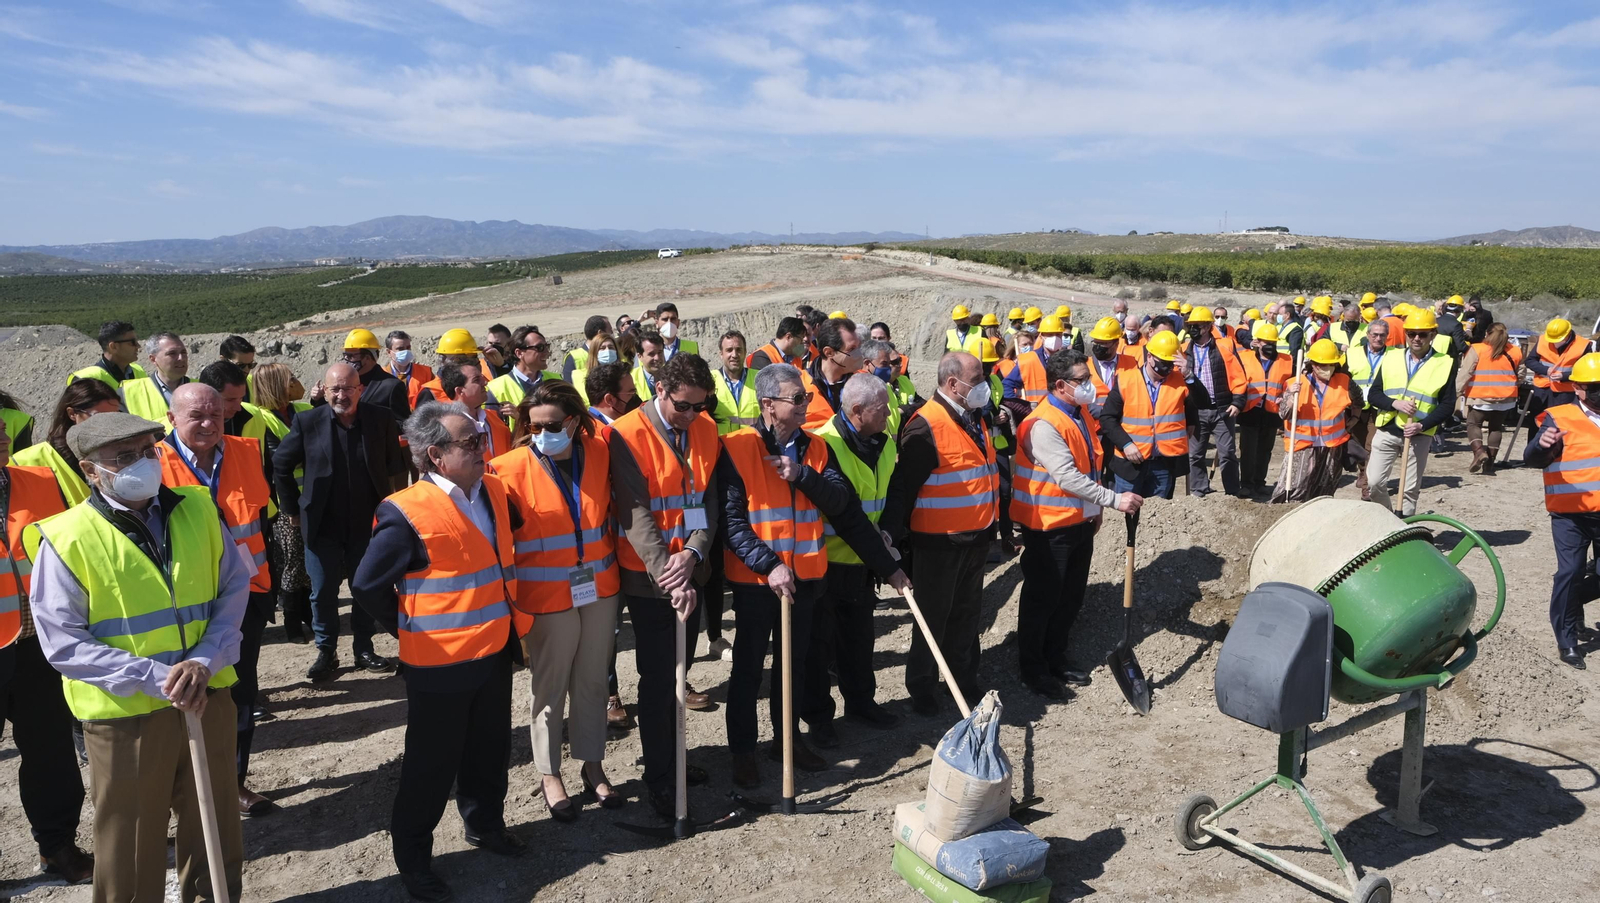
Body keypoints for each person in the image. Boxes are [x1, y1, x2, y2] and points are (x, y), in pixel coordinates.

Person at [28, 412, 247, 902]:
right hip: (126, 717)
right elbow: (64, 642)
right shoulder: (68, 537)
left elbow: (233, 588)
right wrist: (160, 678)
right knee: (129, 839)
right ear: (90, 471)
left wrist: (204, 661)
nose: (142, 463)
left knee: (214, 821)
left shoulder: (198, 507)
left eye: (148, 450)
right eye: (124, 457)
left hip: (208, 694)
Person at [353, 402, 526, 902]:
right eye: (470, 443)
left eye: (481, 438)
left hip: (493, 651)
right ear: (435, 454)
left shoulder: (493, 491)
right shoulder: (406, 510)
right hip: (439, 663)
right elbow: (367, 585)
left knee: (489, 750)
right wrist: (407, 628)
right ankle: (414, 861)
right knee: (430, 766)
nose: (483, 448)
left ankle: (485, 825)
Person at [719, 364, 906, 785]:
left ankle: (787, 740)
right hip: (756, 582)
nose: (806, 403)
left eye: (805, 396)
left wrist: (889, 568)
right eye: (797, 398)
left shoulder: (816, 448)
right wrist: (769, 565)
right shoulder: (736, 447)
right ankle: (742, 751)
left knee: (795, 667)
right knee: (748, 669)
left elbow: (843, 506)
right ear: (768, 405)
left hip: (805, 579)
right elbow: (731, 522)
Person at [493, 382, 625, 821]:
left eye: (551, 425)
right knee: (549, 687)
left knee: (592, 680)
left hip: (599, 588)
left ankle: (592, 764)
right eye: (533, 427)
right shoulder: (506, 469)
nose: (541, 434)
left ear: (573, 420)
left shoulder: (601, 453)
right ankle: (549, 773)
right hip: (545, 595)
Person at [155, 383, 278, 818]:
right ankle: (180, 792)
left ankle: (232, 783)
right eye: (197, 417)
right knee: (179, 696)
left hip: (247, 593)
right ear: (172, 419)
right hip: (184, 603)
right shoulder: (152, 462)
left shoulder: (245, 451)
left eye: (217, 415)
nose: (209, 424)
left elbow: (259, 519)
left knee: (239, 691)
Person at [608, 353, 720, 818]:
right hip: (650, 579)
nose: (692, 415)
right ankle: (659, 776)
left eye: (700, 405)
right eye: (683, 406)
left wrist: (693, 553)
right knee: (658, 680)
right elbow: (635, 513)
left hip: (690, 571)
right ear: (660, 390)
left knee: (680, 672)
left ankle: (675, 758)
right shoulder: (625, 434)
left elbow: (706, 499)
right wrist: (669, 575)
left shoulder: (706, 428)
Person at [1012, 351, 1142, 699]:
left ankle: (1055, 657)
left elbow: (1089, 465)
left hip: (1077, 522)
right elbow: (1067, 477)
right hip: (1048, 528)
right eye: (1082, 380)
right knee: (1043, 599)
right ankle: (1033, 669)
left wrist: (1092, 510)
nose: (1089, 385)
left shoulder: (1078, 413)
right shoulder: (1043, 424)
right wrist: (1113, 500)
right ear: (1060, 385)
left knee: (1070, 597)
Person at [0, 418, 95, 884]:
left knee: (51, 751)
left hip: (38, 643)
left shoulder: (40, 481)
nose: (3, 436)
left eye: (1, 427)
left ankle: (58, 848)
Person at [273, 362, 407, 682]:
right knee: (322, 591)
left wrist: (396, 507)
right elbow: (280, 464)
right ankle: (326, 651)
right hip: (322, 524)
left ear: (360, 390)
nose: (341, 395)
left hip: (368, 523)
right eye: (335, 389)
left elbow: (395, 466)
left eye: (348, 388)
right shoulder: (308, 421)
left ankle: (364, 648)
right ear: (325, 390)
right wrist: (292, 509)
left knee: (365, 587)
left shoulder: (380, 418)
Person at [885, 352, 998, 715]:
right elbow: (904, 491)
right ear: (953, 383)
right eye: (976, 379)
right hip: (938, 543)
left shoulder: (974, 417)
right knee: (933, 617)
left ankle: (962, 679)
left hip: (976, 537)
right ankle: (922, 687)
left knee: (967, 614)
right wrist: (898, 544)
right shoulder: (925, 425)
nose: (983, 385)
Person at [802, 373, 909, 741]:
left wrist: (889, 532)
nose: (889, 415)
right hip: (827, 564)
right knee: (819, 647)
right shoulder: (824, 445)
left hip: (864, 564)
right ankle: (819, 719)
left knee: (859, 640)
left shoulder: (884, 442)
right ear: (858, 410)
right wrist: (889, 566)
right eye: (882, 410)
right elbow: (846, 516)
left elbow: (895, 493)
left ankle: (861, 702)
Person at [1525, 353, 1600, 669]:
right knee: (1570, 572)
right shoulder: (1559, 418)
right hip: (1571, 514)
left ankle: (1573, 600)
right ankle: (1567, 642)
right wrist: (1542, 445)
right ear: (1579, 389)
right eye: (1596, 387)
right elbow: (1533, 458)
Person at [1365, 308, 1456, 516]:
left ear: (1433, 335)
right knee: (1374, 483)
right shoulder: (1391, 357)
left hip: (1419, 434)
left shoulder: (1444, 363)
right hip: (1387, 429)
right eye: (1411, 333)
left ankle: (1405, 526)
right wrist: (1394, 403)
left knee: (1409, 490)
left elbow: (1447, 405)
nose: (1416, 338)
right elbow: (1374, 395)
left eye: (1422, 334)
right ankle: (1388, 520)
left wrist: (1421, 425)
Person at [250, 363, 315, 643]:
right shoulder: (262, 419)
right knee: (292, 562)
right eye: (291, 379)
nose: (297, 383)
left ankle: (308, 614)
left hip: (313, 497)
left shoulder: (304, 409)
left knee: (310, 561)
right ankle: (291, 620)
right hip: (285, 503)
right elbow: (280, 460)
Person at [1099, 332, 1196, 501]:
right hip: (1130, 464)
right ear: (1150, 357)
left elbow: (1201, 404)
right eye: (1163, 362)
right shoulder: (1126, 380)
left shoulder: (1181, 381)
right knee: (1128, 510)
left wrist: (1189, 374)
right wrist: (1126, 444)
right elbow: (1107, 418)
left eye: (1171, 363)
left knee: (1159, 513)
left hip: (1164, 464)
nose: (1168, 367)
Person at [12, 378, 121, 506]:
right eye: (98, 417)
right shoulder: (33, 460)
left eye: (115, 416)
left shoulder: (126, 451)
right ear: (72, 414)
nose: (108, 424)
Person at [1271, 340, 1356, 502]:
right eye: (1323, 365)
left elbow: (1358, 400)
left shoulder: (1344, 382)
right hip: (1302, 444)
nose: (1327, 368)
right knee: (1296, 485)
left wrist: (1355, 418)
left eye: (1331, 364)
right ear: (1313, 365)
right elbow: (1283, 414)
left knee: (1326, 486)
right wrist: (1290, 397)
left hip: (1332, 445)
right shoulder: (1294, 383)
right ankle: (1284, 510)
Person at [1181, 307, 1245, 497]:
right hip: (1195, 411)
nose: (1194, 329)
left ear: (1209, 326)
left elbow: (1239, 377)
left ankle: (1232, 492)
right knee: (1195, 454)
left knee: (1227, 453)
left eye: (1198, 325)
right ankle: (1199, 489)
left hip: (1222, 409)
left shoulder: (1224, 348)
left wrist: (1237, 402)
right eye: (1191, 325)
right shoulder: (1183, 351)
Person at [1457, 323, 1524, 475]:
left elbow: (1466, 373)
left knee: (1473, 424)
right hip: (1506, 398)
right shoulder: (1515, 350)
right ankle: (1490, 463)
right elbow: (1521, 374)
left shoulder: (1477, 349)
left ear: (1487, 334)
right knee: (1496, 427)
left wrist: (1457, 391)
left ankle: (1479, 452)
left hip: (1480, 396)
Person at [319, 328, 412, 425]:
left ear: (367, 357)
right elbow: (333, 415)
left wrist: (373, 425)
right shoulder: (345, 383)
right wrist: (318, 400)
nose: (346, 360)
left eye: (350, 356)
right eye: (345, 355)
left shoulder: (392, 386)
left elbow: (403, 424)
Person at [1237, 322, 1286, 497]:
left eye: (1273, 343)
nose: (1270, 346)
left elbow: (1291, 383)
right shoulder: (1244, 358)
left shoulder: (1286, 361)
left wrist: (1286, 395)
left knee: (1265, 451)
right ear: (1258, 342)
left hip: (1272, 412)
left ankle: (1259, 483)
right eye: (1266, 342)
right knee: (1248, 451)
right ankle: (1246, 484)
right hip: (1250, 411)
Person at [1347, 320, 1391, 500]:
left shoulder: (1394, 355)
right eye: (1375, 335)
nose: (1378, 338)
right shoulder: (1352, 353)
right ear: (1368, 335)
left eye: (1382, 335)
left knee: (1371, 446)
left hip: (1379, 406)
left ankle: (1367, 487)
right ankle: (1362, 470)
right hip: (1357, 405)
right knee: (1358, 445)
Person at [440, 361, 512, 462]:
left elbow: (512, 450)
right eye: (476, 380)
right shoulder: (446, 428)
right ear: (460, 391)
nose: (485, 382)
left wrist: (520, 421)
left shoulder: (494, 417)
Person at [800, 317, 861, 430]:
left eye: (858, 347)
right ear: (829, 353)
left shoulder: (862, 383)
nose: (858, 353)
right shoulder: (799, 384)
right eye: (852, 349)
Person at [121, 331, 190, 427]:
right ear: (153, 359)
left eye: (183, 352)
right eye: (172, 353)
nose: (181, 358)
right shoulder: (128, 392)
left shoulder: (203, 387)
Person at [486, 326, 561, 413]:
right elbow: (491, 421)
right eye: (540, 347)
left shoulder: (557, 381)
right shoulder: (496, 389)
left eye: (547, 346)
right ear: (519, 353)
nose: (547, 352)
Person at [1529, 318, 1586, 426]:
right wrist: (1546, 370)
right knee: (1536, 423)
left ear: (1568, 333)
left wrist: (1564, 376)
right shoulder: (1542, 340)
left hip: (1565, 393)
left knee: (1560, 423)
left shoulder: (1583, 345)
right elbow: (1530, 361)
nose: (1554, 341)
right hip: (1542, 390)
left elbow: (1584, 370)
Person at [1004, 314, 1067, 408]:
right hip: (1035, 414)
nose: (1054, 338)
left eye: (1058, 334)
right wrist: (1019, 408)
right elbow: (1006, 386)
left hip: (1060, 413)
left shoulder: (1068, 361)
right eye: (1050, 334)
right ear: (1042, 336)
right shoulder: (1027, 360)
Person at [69, 320, 146, 390]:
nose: (138, 346)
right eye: (132, 342)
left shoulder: (139, 371)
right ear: (113, 346)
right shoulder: (87, 380)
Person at [712, 330, 760, 436]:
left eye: (739, 350)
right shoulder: (710, 380)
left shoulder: (759, 378)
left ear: (745, 352)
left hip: (753, 443)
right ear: (721, 354)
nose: (734, 355)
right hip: (722, 444)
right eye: (729, 350)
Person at [385, 330, 436, 411]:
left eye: (408, 348)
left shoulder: (426, 372)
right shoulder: (381, 375)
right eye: (400, 349)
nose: (406, 352)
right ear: (388, 352)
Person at [570, 333, 621, 404]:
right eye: (602, 348)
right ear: (594, 352)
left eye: (611, 347)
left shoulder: (624, 374)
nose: (607, 351)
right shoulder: (579, 376)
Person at [585, 362, 637, 429]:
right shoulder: (592, 432)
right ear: (610, 399)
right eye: (630, 393)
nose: (635, 397)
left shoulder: (620, 424)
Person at [563, 314, 614, 381]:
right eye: (610, 331)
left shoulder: (612, 353)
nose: (612, 333)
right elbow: (568, 384)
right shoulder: (574, 358)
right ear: (600, 333)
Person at [632, 330, 667, 402]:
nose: (657, 358)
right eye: (651, 354)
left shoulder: (673, 375)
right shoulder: (631, 379)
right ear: (640, 356)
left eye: (660, 352)